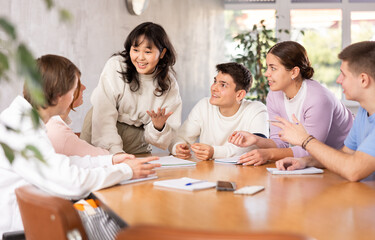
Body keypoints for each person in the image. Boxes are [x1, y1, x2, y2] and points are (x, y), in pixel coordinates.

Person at [0, 54, 160, 236]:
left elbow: (62, 163)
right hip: (25, 228)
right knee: (117, 223)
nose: (77, 93)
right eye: (74, 89)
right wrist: (126, 171)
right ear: (60, 95)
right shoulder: (24, 132)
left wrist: (111, 161)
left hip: (32, 217)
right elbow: (73, 182)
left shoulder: (22, 120)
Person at [228, 41, 353, 166]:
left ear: (294, 72)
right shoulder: (274, 95)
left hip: (346, 158)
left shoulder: (318, 98)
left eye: (273, 68)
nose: (267, 73)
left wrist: (268, 154)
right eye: (267, 67)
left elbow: (311, 149)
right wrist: (256, 140)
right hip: (317, 162)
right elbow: (280, 142)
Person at [274, 41, 375, 182]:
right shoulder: (365, 111)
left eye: (343, 75)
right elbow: (345, 154)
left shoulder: (319, 97)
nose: (338, 80)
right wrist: (306, 161)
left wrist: (304, 139)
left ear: (363, 80)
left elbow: (353, 170)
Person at [80, 22, 182, 154]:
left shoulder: (169, 84)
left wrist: (158, 126)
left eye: (147, 51)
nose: (140, 57)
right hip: (101, 129)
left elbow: (167, 135)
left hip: (137, 139)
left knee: (142, 173)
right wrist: (115, 151)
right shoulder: (116, 66)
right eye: (135, 50)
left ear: (162, 53)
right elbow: (104, 113)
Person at [169, 62, 268, 160]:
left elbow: (256, 147)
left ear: (239, 95)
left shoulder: (257, 109)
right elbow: (180, 138)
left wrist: (214, 152)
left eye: (223, 85)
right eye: (215, 81)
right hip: (208, 171)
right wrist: (178, 147)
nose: (213, 88)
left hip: (244, 172)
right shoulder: (204, 106)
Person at [46, 78, 110, 156]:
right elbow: (107, 157)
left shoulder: (52, 123)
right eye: (77, 84)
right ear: (61, 93)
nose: (84, 87)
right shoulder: (60, 133)